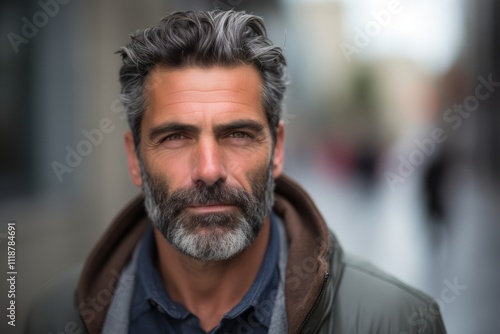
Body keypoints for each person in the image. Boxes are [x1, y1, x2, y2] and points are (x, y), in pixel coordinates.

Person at [26, 10, 447, 334]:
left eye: (238, 134)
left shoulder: (396, 320)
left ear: (278, 148)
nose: (209, 170)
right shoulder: (51, 317)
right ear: (135, 159)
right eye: (175, 137)